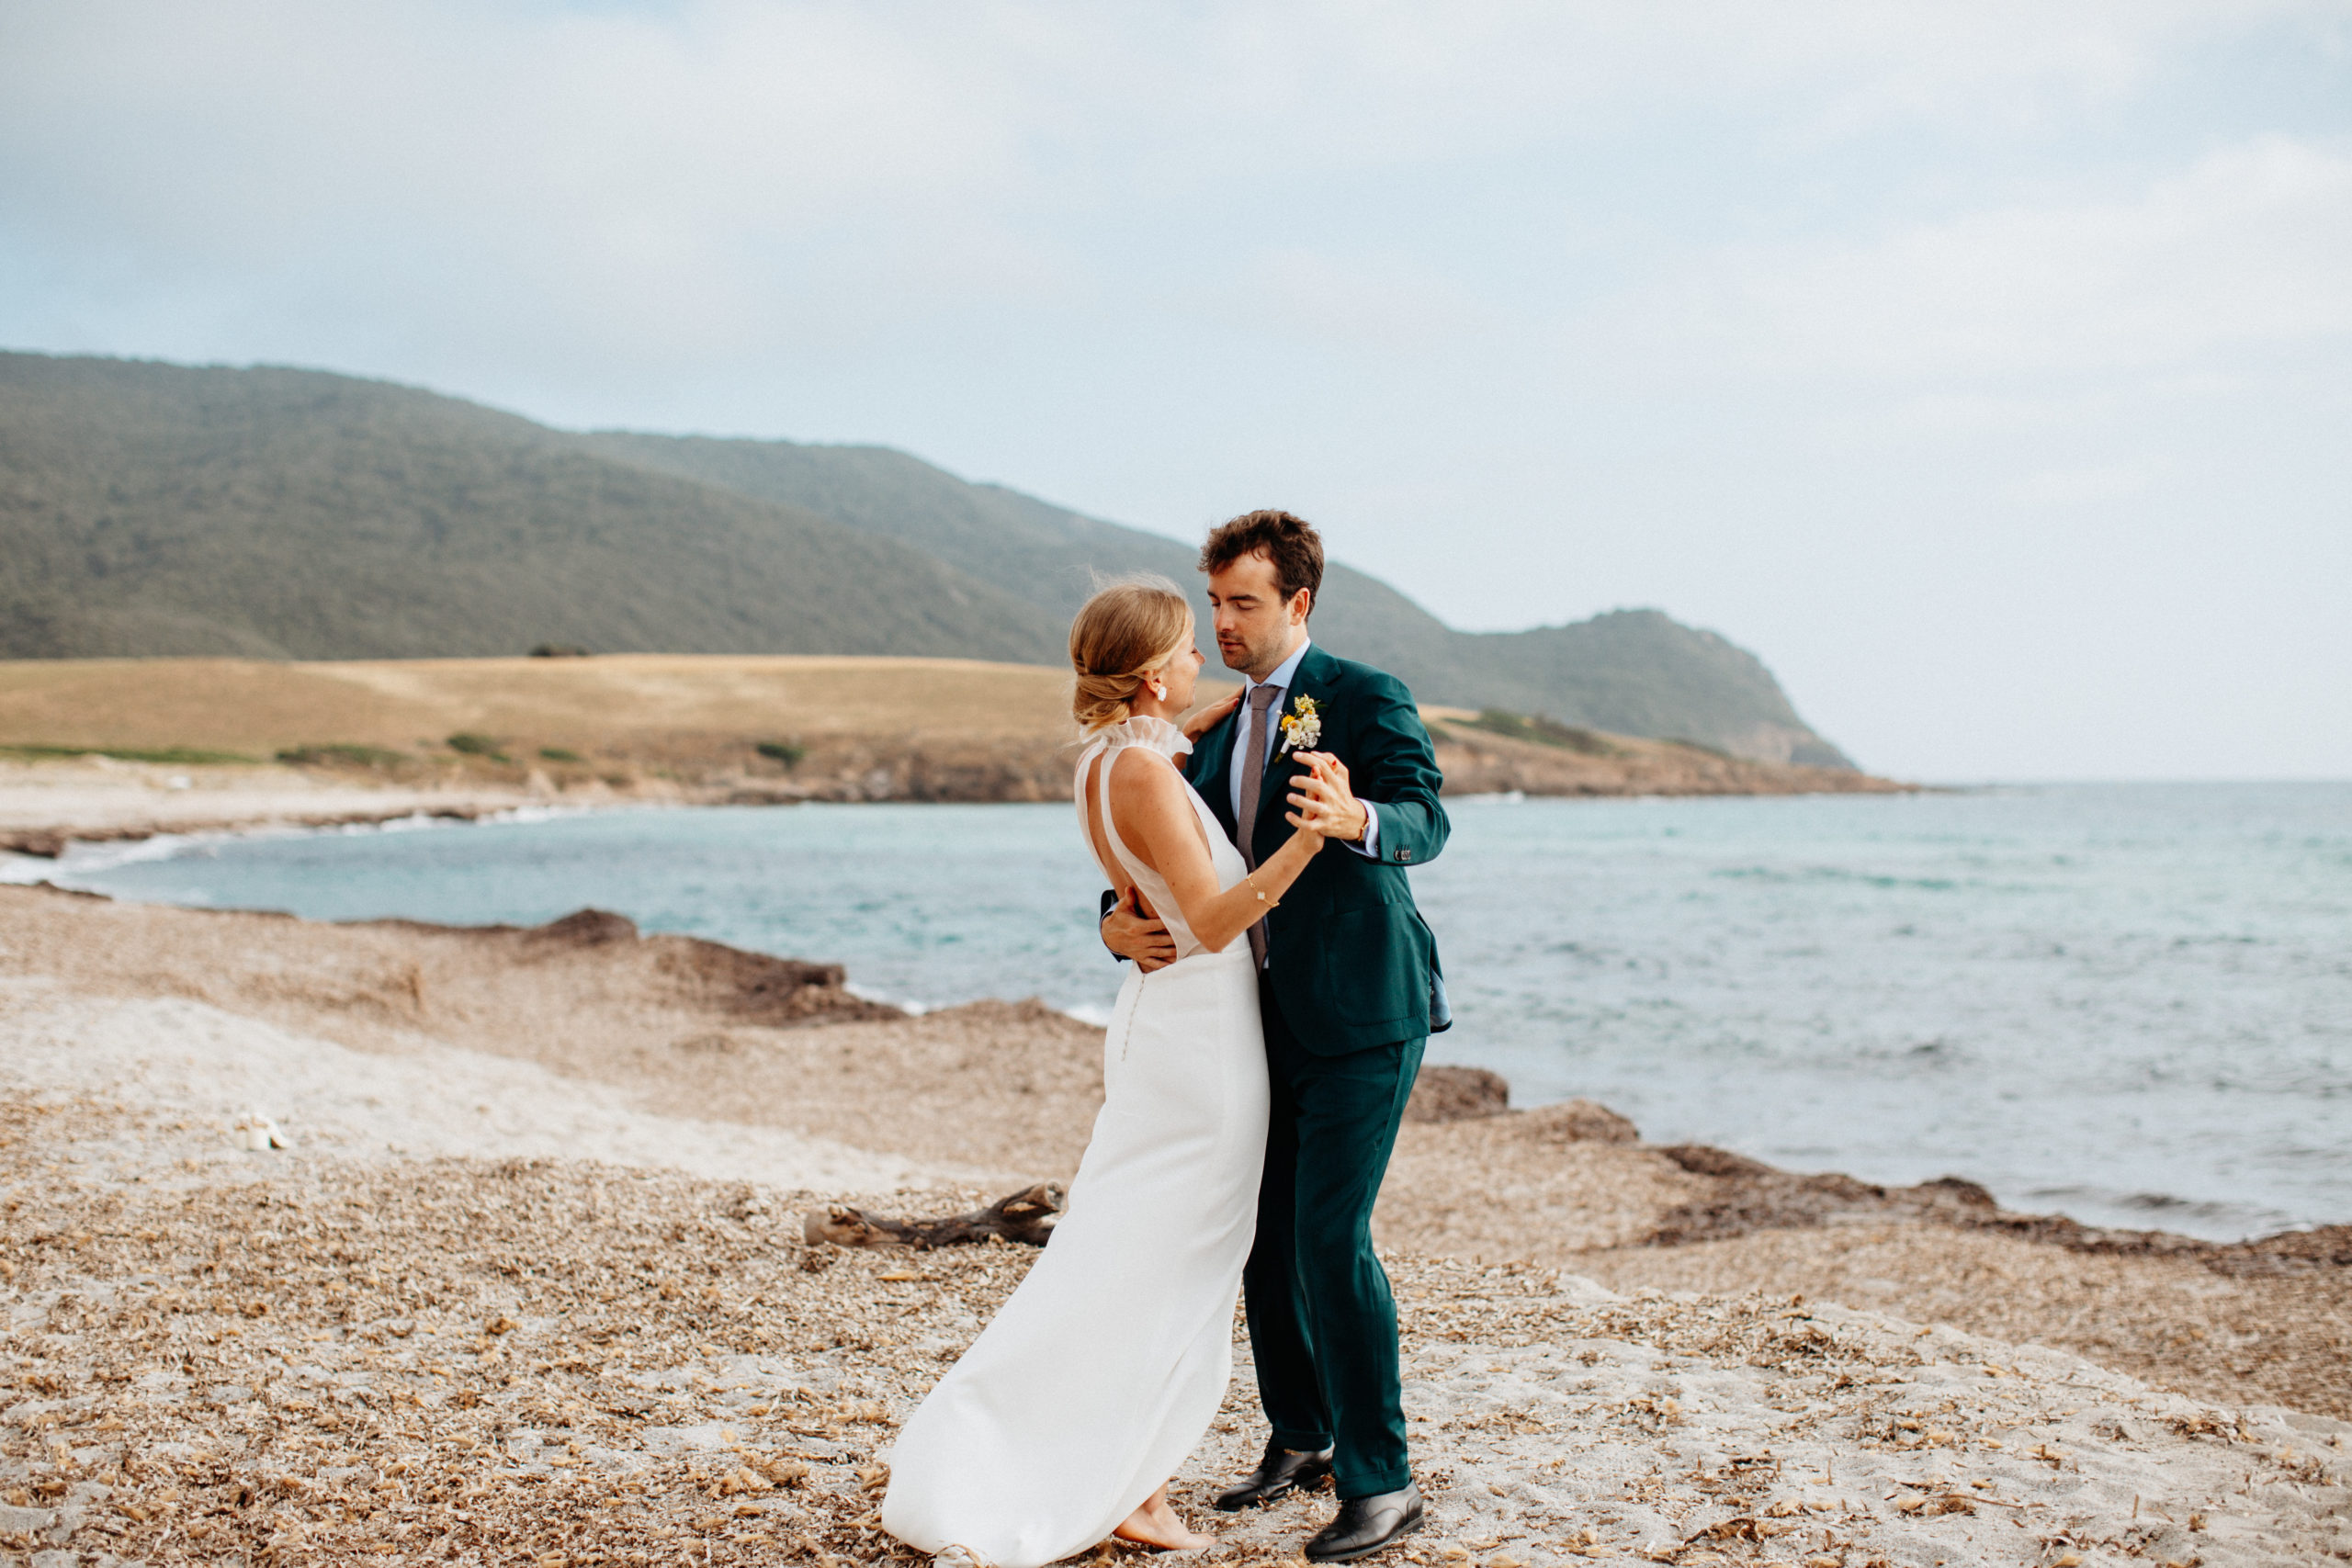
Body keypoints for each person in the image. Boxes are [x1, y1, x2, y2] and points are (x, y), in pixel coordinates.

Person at [881, 575, 1363, 1568]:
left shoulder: (1111, 756)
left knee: (1141, 1251)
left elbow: (1151, 862)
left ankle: (1126, 1469)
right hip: (1201, 1044)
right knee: (1169, 1262)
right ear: (1150, 676)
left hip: (1171, 1029)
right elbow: (1211, 921)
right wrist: (1310, 841)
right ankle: (1128, 1487)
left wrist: (1244, 704)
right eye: (1188, 648)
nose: (1204, 659)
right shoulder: (1142, 774)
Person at [1103, 510, 1449, 1563]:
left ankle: (1381, 1482)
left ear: (1298, 603)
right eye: (1214, 602)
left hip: (1361, 1016)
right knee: (1261, 1238)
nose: (1225, 622)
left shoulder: (1362, 695)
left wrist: (1361, 823)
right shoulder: (1201, 731)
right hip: (1246, 1025)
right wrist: (1114, 924)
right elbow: (1162, 857)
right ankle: (1298, 1438)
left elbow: (1426, 816)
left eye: (1243, 602)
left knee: (1329, 1240)